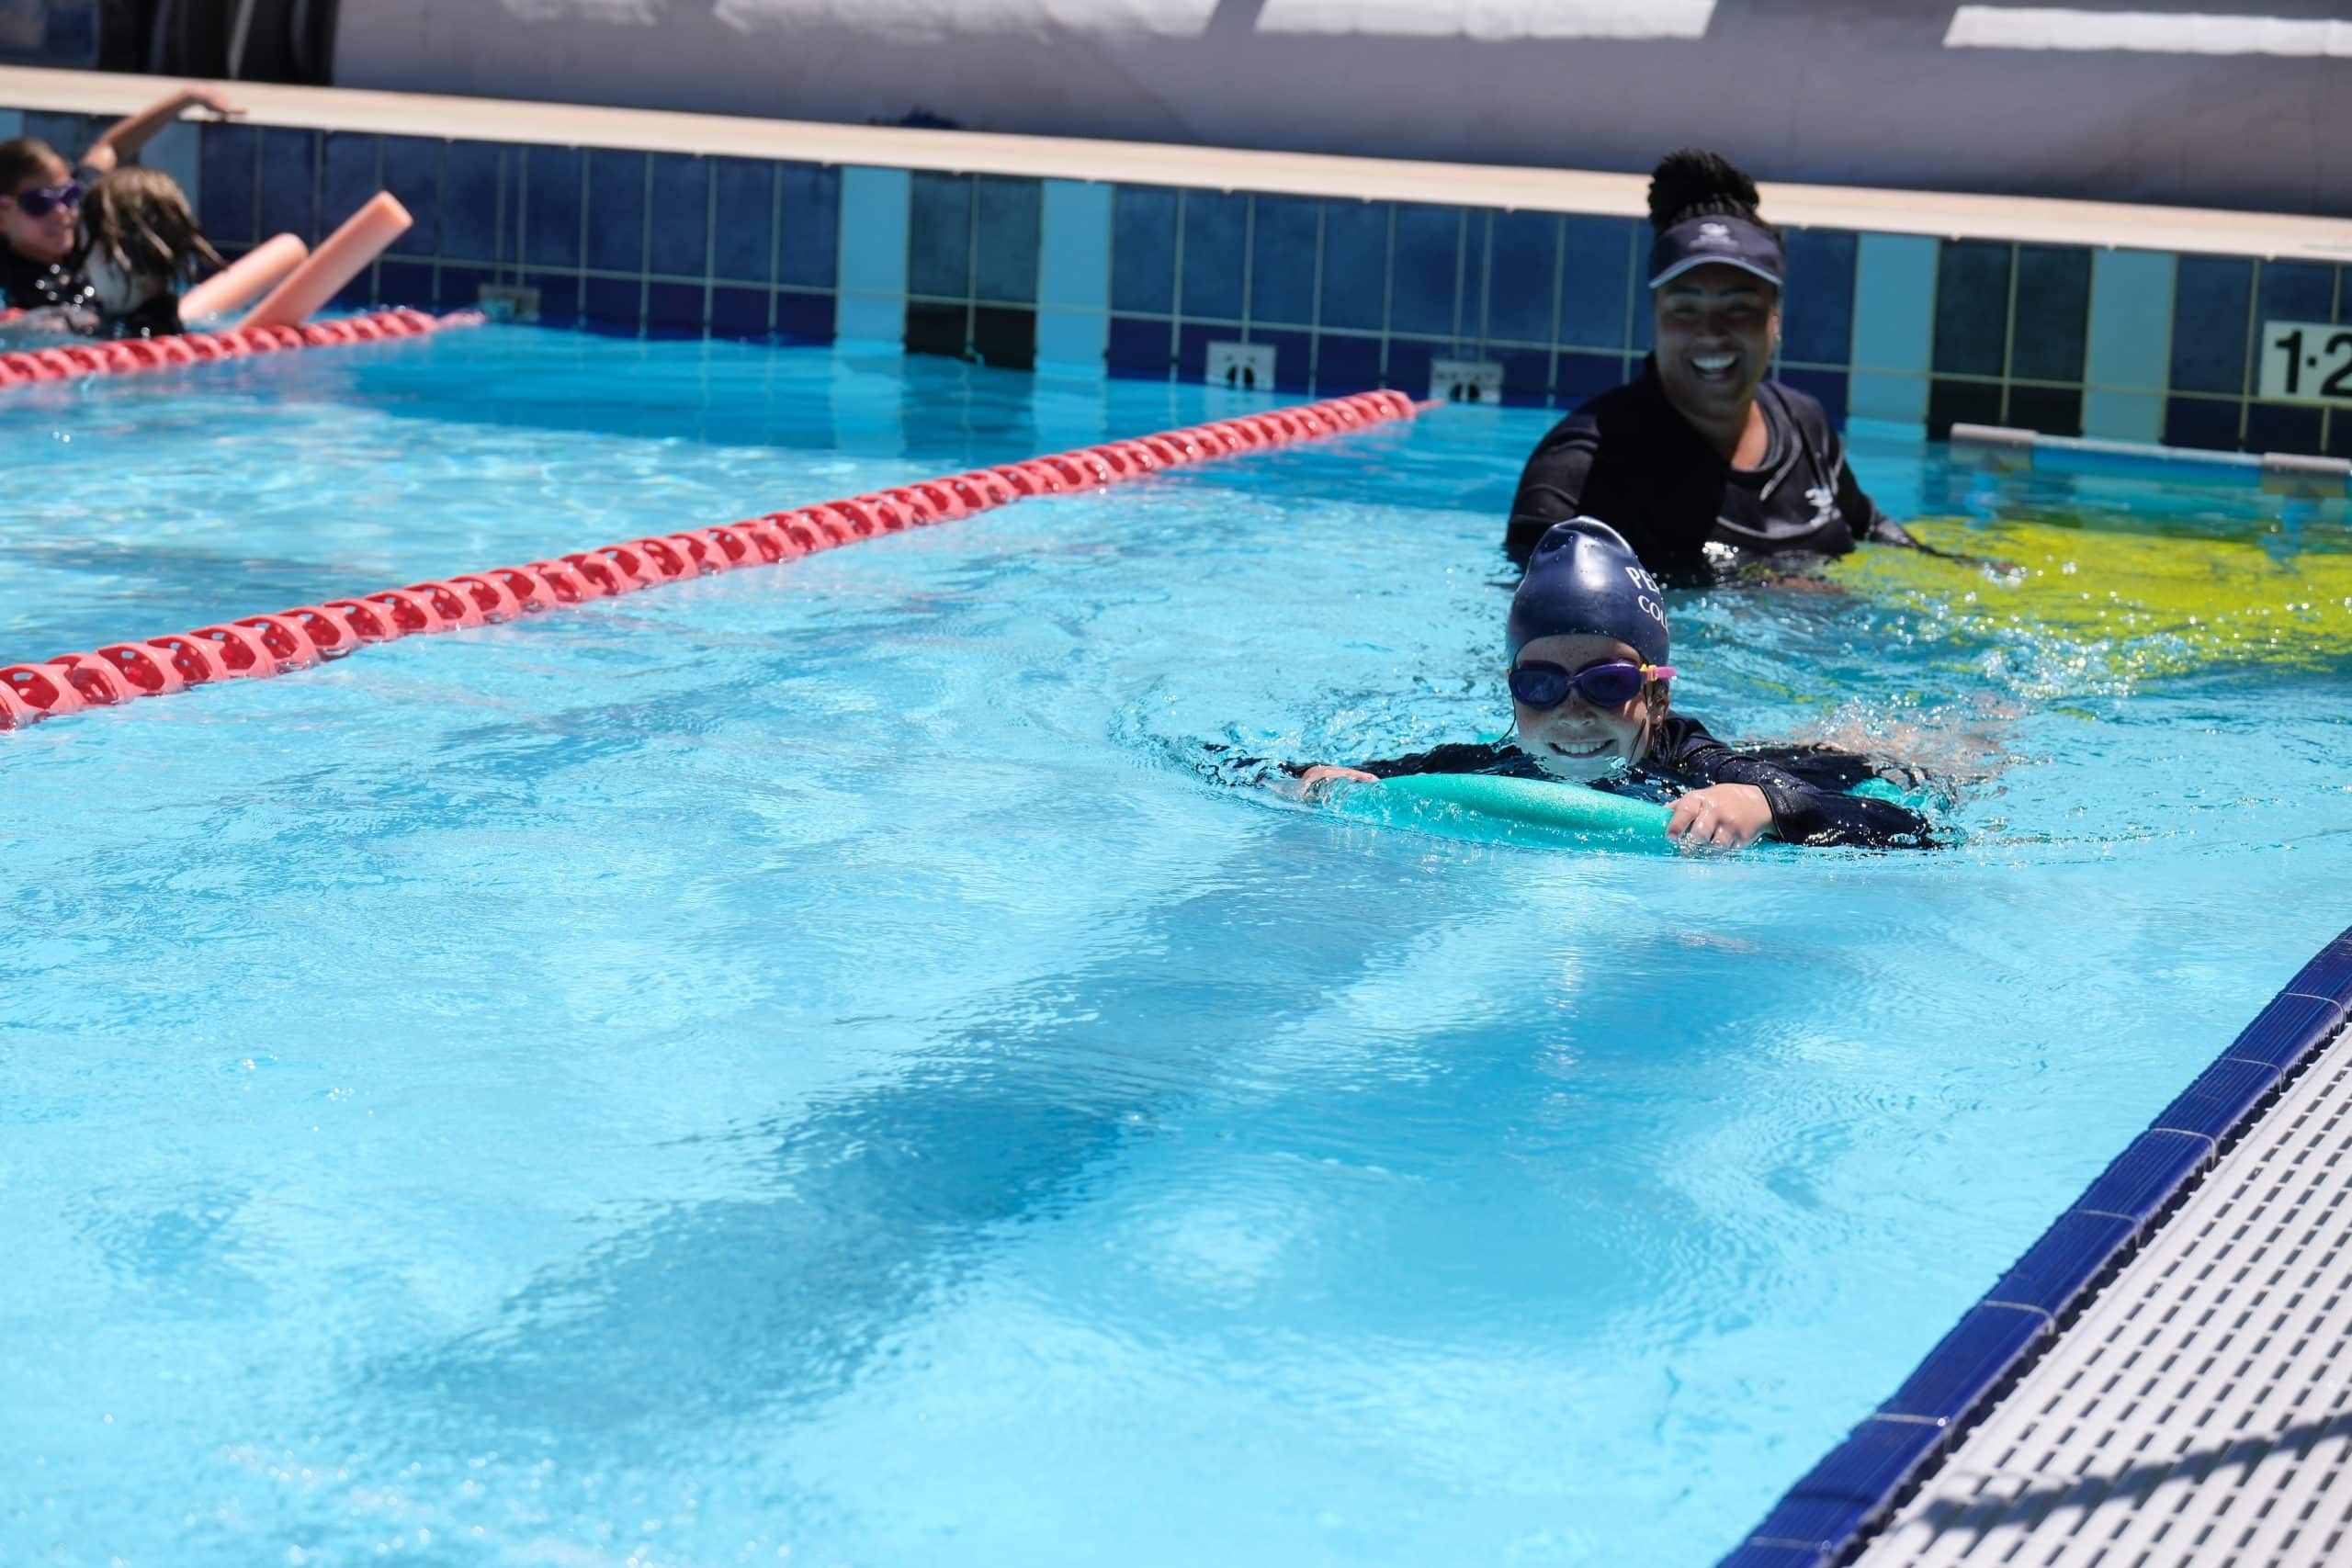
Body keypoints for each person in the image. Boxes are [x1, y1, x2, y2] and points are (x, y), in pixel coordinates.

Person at [1296, 518, 1937, 851]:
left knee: (1911, 762)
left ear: (1656, 692)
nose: (1573, 713)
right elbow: (1269, 769)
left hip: (1808, 770)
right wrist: (1329, 777)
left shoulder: (1701, 767)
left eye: (1606, 683)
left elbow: (1907, 828)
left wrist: (1762, 807)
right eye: (1542, 686)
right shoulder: (1499, 762)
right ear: (1513, 691)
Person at [1505, 150, 1944, 584]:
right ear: (1655, 315)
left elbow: (1870, 528)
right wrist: (1770, 595)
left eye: (1739, 308)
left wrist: (1966, 572)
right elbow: (1543, 627)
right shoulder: (1579, 470)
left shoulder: (1805, 426)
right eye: (1686, 307)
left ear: (1775, 319)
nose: (1711, 333)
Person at [0, 85, 241, 321]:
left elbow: (110, 147)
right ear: (3, 214)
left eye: (69, 195)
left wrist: (187, 98)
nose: (62, 211)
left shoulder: (84, 213)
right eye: (39, 203)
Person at [78, 167, 223, 339]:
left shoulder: (134, 338)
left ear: (120, 256)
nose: (86, 266)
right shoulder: (165, 325)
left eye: (89, 249)